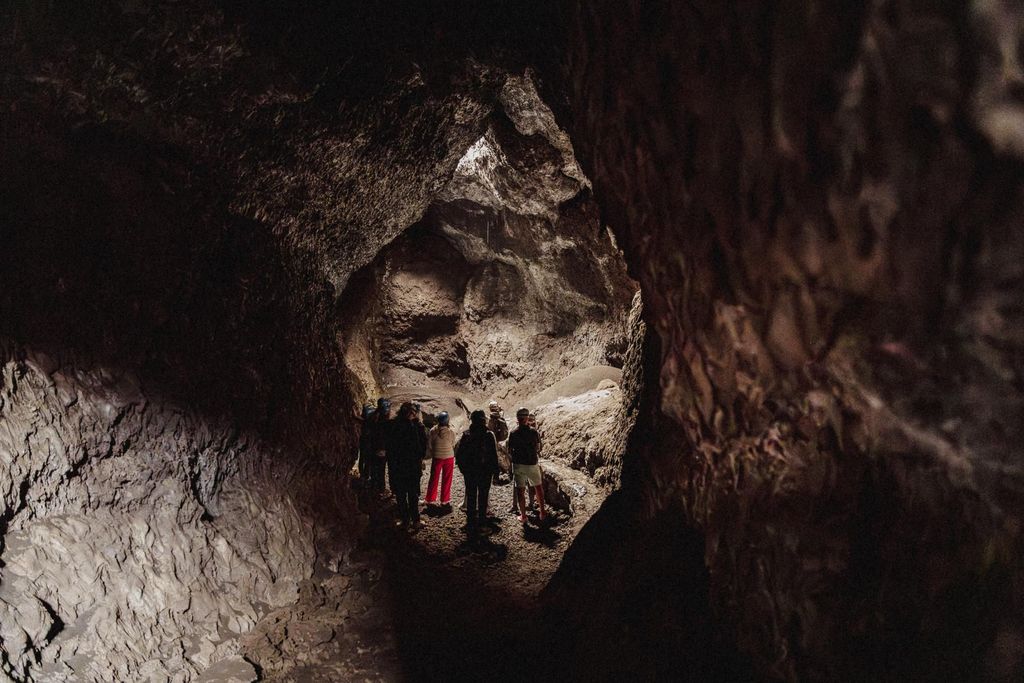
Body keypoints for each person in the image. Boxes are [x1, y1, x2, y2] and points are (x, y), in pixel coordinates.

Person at [455, 410, 500, 530]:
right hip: (485, 472)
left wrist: (464, 470)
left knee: (471, 496)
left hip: (470, 472)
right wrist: (496, 473)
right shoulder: (489, 435)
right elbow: (493, 455)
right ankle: (482, 524)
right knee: (483, 497)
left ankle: (470, 523)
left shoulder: (466, 435)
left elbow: (459, 455)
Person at [388, 402, 428, 529]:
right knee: (405, 494)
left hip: (403, 465)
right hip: (408, 465)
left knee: (408, 494)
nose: (412, 415)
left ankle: (410, 520)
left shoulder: (395, 425)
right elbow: (422, 447)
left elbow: (391, 446)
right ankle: (410, 520)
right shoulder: (417, 426)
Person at [508, 407, 545, 525]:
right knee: (538, 487)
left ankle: (523, 516)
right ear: (527, 418)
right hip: (532, 463)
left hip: (518, 464)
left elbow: (510, 450)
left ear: (517, 419)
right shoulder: (534, 432)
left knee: (520, 490)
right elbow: (539, 447)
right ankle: (542, 513)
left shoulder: (513, 433)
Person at [424, 411, 456, 508]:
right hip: (449, 457)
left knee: (434, 478)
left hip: (437, 457)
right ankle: (445, 500)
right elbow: (453, 444)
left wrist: (435, 451)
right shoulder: (451, 432)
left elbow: (429, 445)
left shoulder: (433, 431)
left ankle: (430, 499)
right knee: (447, 478)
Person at [365, 398, 392, 493]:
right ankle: (380, 488)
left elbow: (366, 425)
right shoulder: (387, 423)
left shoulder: (372, 418)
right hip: (382, 448)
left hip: (372, 447)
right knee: (381, 469)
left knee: (373, 468)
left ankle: (373, 486)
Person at [357, 403, 375, 485]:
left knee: (363, 458)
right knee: (368, 460)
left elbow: (359, 419)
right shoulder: (372, 422)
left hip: (364, 441)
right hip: (369, 442)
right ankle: (366, 475)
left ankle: (363, 475)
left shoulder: (366, 422)